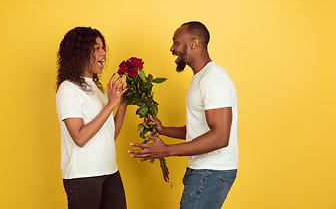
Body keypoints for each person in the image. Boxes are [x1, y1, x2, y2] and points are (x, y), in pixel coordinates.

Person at [128, 21, 238, 209]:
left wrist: (167, 150)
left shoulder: (213, 79)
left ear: (194, 43)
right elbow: (201, 129)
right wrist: (163, 130)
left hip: (210, 170)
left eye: (176, 42)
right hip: (203, 170)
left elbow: (220, 136)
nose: (172, 48)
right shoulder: (201, 77)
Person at [56, 27, 128, 209]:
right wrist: (110, 105)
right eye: (97, 48)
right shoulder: (68, 89)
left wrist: (123, 103)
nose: (104, 53)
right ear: (79, 53)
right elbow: (79, 138)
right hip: (83, 175)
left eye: (103, 47)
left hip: (109, 170)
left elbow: (109, 135)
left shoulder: (97, 90)